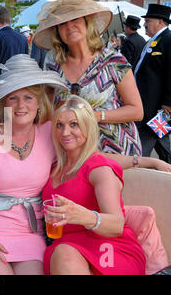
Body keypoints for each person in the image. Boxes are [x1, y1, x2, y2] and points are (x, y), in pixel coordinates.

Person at [0, 54, 68, 275]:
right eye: (12, 98)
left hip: (29, 232)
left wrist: (140, 160)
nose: (20, 105)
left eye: (27, 97)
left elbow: (85, 155)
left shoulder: (50, 133)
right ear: (3, 103)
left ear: (38, 102)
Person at [42, 95, 146, 275]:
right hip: (66, 247)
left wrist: (83, 216)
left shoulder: (99, 169)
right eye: (59, 125)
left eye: (74, 124)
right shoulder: (53, 166)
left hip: (110, 248)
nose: (65, 132)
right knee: (63, 254)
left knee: (64, 255)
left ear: (87, 126)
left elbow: (116, 225)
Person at [34, 0, 144, 156]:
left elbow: (137, 111)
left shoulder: (113, 60)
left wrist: (95, 116)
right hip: (69, 150)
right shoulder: (52, 62)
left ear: (87, 23)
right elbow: (47, 106)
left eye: (75, 19)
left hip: (113, 149)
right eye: (62, 24)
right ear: (57, 32)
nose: (69, 26)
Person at [134, 3, 171, 166]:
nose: (144, 25)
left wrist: (169, 104)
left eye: (148, 20)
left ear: (160, 22)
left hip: (156, 109)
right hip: (147, 106)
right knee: (162, 145)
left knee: (142, 145)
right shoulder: (152, 41)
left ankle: (134, 172)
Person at [0, 6, 29, 73]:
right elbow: (26, 64)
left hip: (1, 81)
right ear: (9, 21)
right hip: (19, 80)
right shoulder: (23, 39)